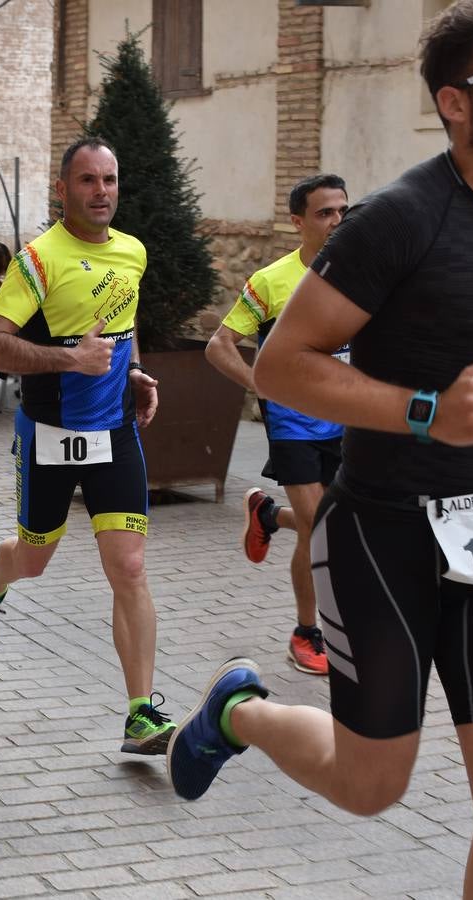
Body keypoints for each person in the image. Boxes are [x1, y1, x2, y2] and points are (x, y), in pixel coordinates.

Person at [168, 4, 473, 896]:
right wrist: (426, 413)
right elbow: (287, 367)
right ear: (455, 102)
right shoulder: (398, 219)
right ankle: (241, 710)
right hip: (382, 530)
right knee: (374, 785)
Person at [0, 138, 172, 756]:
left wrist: (130, 372)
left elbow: (120, 328)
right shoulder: (39, 260)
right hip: (50, 434)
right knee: (33, 558)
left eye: (109, 180)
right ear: (64, 190)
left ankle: (141, 713)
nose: (101, 192)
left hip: (115, 432)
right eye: (87, 181)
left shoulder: (132, 253)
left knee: (129, 566)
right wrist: (70, 360)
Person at [204, 174, 350, 676]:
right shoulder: (271, 281)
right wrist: (260, 384)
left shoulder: (361, 276)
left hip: (346, 418)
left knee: (335, 524)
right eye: (324, 213)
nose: (336, 222)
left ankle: (268, 515)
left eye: (342, 212)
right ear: (297, 222)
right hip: (292, 423)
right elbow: (218, 345)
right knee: (320, 526)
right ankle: (306, 632)